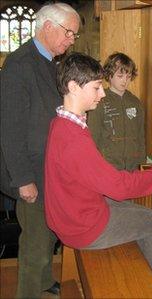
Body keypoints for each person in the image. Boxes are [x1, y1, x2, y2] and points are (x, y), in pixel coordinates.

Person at [44, 52, 152, 289]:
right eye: (97, 88)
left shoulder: (61, 123)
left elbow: (102, 178)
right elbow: (117, 186)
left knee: (135, 211)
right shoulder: (73, 139)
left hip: (73, 213)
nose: (102, 93)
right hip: (81, 226)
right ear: (74, 87)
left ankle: (141, 275)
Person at [0, 3, 80, 298]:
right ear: (48, 26)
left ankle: (45, 282)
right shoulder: (20, 65)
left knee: (46, 236)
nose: (71, 39)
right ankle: (30, 293)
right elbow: (9, 128)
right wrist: (23, 179)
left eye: (74, 34)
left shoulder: (48, 60)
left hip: (48, 168)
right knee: (34, 244)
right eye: (69, 32)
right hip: (30, 171)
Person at [88, 52, 146, 171]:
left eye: (128, 76)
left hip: (133, 167)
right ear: (109, 75)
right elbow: (93, 137)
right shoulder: (99, 101)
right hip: (108, 166)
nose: (125, 80)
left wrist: (141, 164)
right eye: (120, 76)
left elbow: (140, 137)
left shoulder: (135, 102)